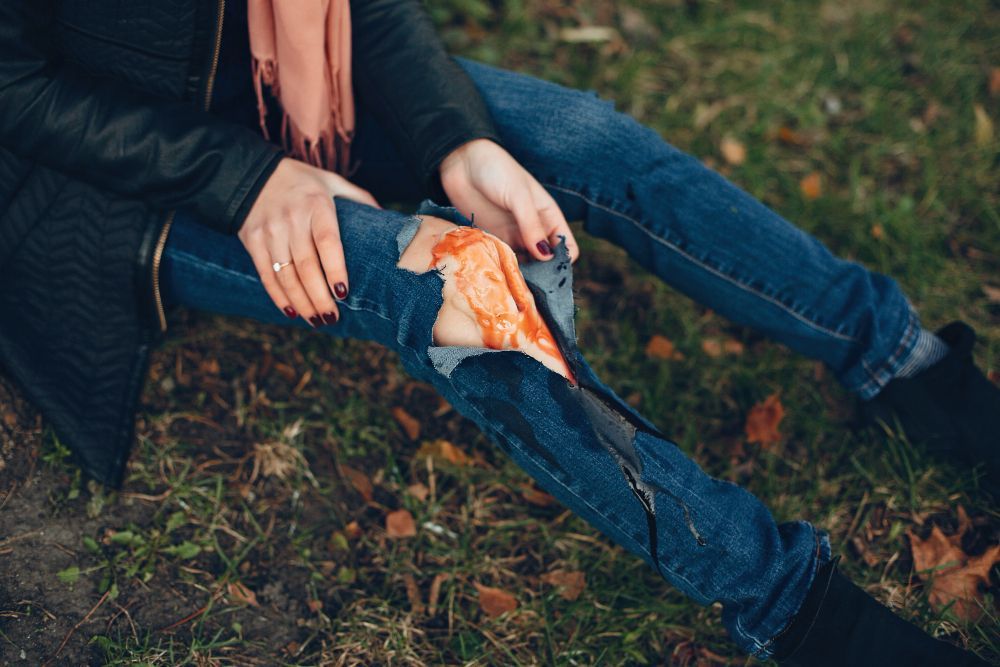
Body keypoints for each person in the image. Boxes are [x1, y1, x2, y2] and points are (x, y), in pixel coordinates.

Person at [0, 1, 994, 664]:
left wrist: (456, 139)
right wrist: (246, 176)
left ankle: (907, 366)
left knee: (582, 141)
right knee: (460, 292)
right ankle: (791, 606)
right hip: (104, 178)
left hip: (285, 83)